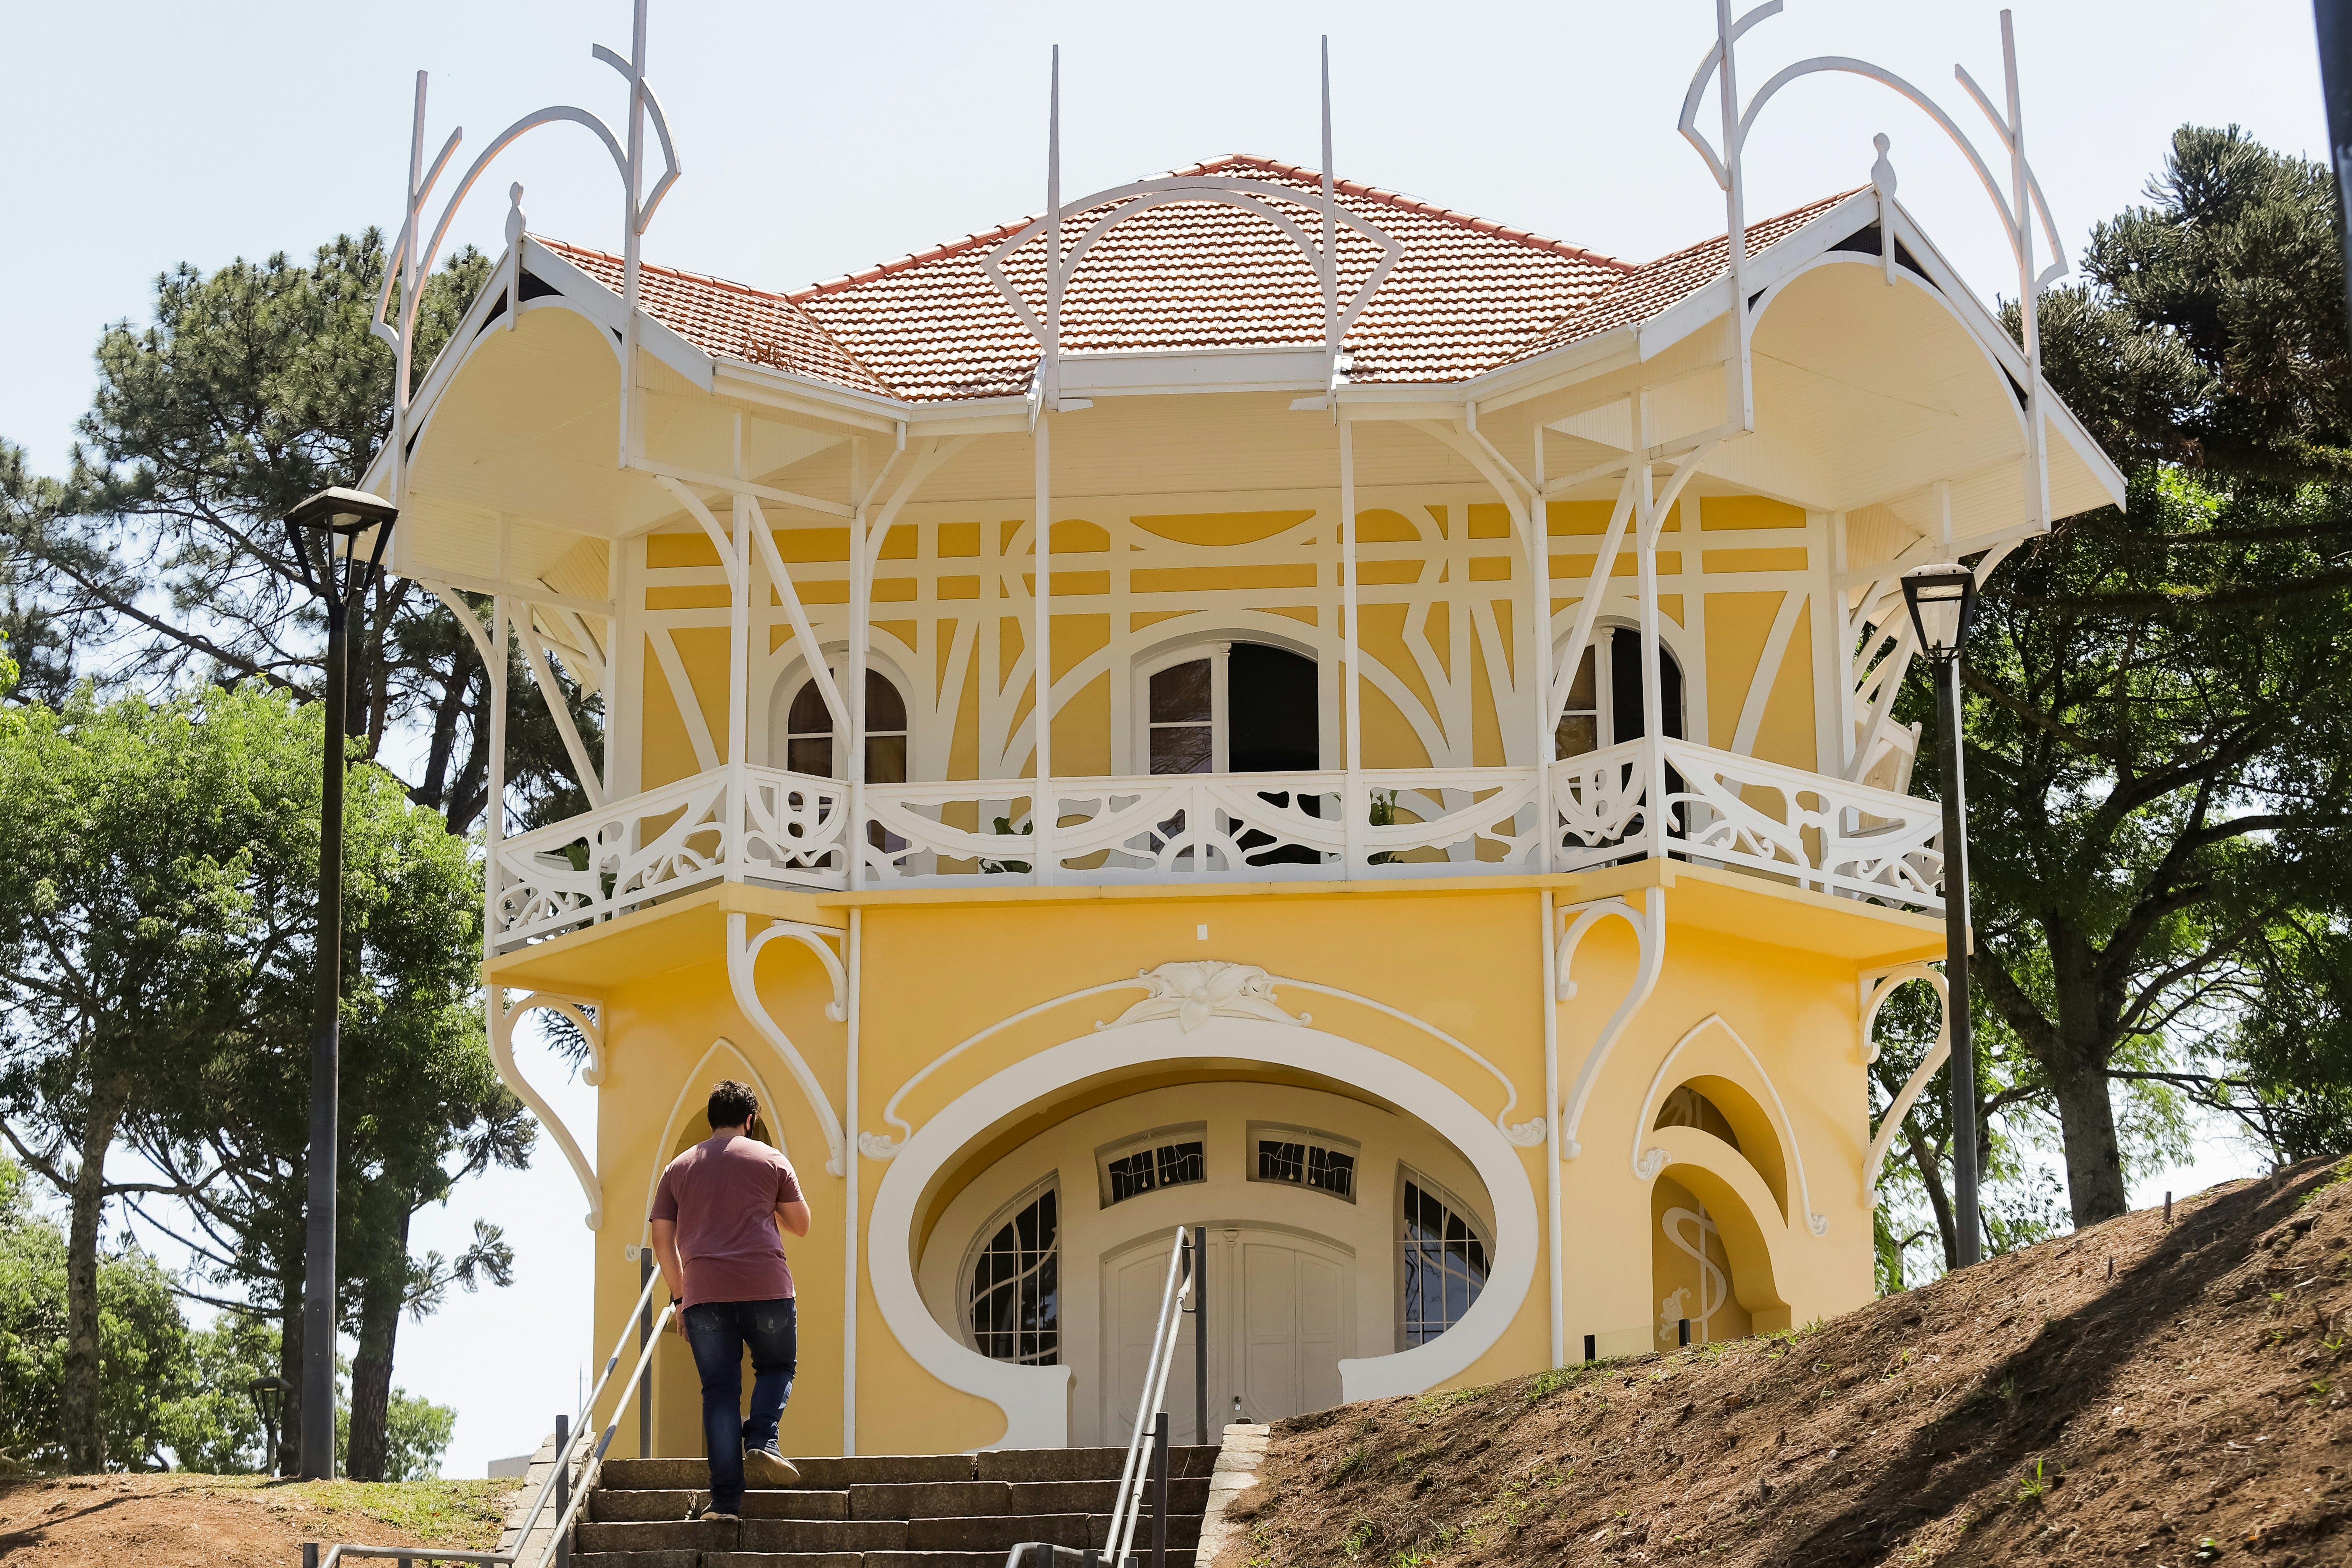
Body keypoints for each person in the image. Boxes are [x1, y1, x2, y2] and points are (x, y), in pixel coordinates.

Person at [649, 1080, 812, 1520]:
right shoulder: (771, 1159)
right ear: (750, 1119)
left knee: (719, 1393)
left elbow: (661, 1239)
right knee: (777, 1367)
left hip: (704, 1294)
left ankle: (724, 1504)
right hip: (766, 1286)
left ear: (710, 1119)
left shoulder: (677, 1169)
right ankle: (761, 1438)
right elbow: (801, 1225)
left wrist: (681, 1298)